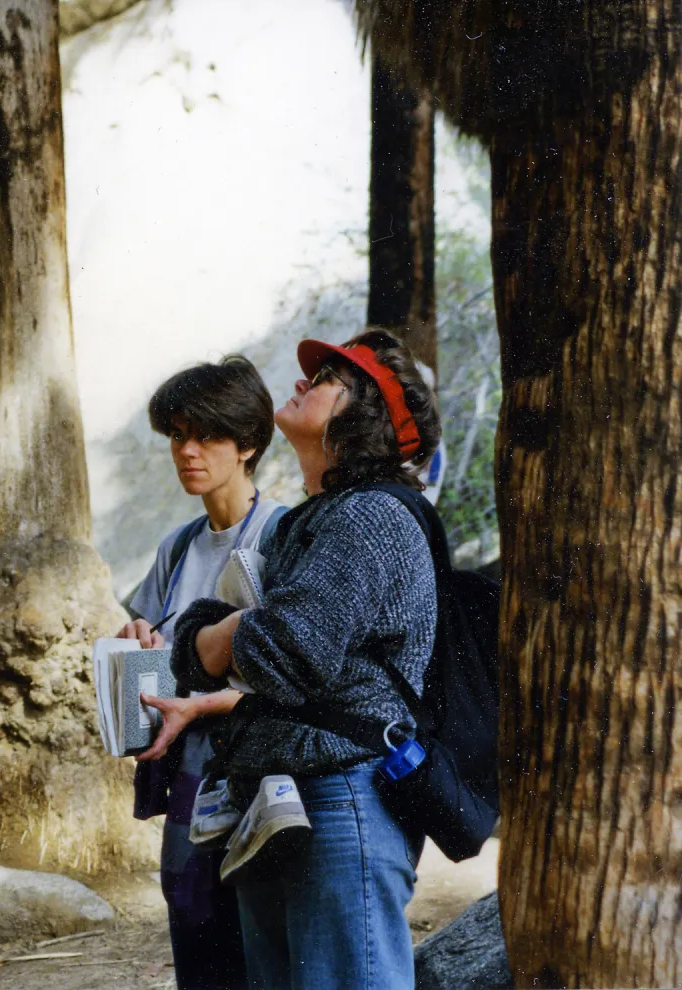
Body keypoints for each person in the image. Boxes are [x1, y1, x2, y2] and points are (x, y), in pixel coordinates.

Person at [171, 329, 441, 990]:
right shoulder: (306, 524)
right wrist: (224, 634)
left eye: (325, 381)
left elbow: (288, 648)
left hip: (343, 801)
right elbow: (195, 645)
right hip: (286, 803)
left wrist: (222, 635)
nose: (300, 384)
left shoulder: (369, 519)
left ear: (363, 415)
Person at [120, 357, 288, 990]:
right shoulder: (179, 544)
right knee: (194, 929)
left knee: (255, 937)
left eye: (207, 436)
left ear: (248, 444)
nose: (187, 452)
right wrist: (132, 639)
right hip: (188, 769)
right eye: (177, 436)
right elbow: (143, 637)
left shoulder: (281, 532)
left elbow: (288, 670)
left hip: (259, 770)